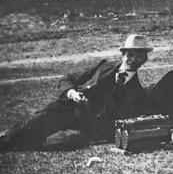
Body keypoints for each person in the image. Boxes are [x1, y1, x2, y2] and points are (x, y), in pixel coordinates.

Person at [0, 34, 153, 151]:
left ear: (144, 60)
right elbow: (67, 78)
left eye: (139, 56)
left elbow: (119, 123)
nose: (134, 59)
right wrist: (72, 93)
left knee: (63, 141)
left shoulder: (138, 94)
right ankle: (6, 139)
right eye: (130, 55)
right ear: (123, 55)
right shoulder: (104, 67)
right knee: (33, 124)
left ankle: (17, 145)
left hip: (86, 128)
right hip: (68, 110)